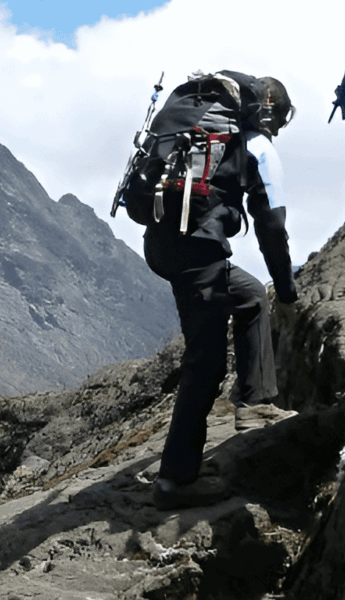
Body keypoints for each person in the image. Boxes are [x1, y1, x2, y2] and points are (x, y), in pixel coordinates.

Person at [138, 75, 301, 509]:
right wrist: (287, 293)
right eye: (279, 123)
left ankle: (254, 403)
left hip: (162, 241)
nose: (277, 132)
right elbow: (272, 229)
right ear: (270, 114)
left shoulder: (197, 129)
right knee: (204, 362)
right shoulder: (257, 147)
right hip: (197, 250)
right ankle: (176, 480)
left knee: (248, 295)